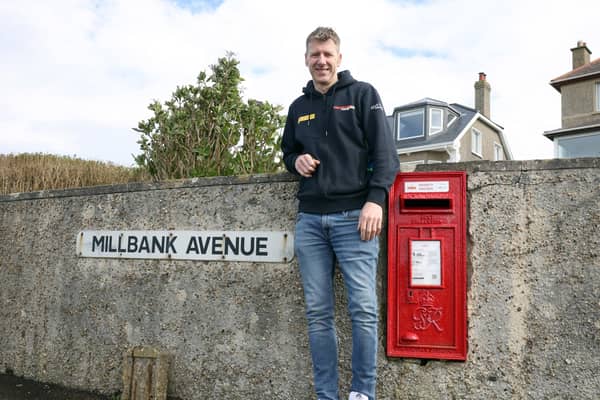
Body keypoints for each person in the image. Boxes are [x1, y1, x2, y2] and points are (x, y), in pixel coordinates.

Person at [281, 27, 400, 400]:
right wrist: (295, 160)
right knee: (318, 314)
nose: (321, 61)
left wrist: (376, 199)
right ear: (306, 59)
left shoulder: (363, 95)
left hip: (356, 218)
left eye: (328, 54)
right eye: (315, 54)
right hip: (311, 221)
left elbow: (386, 155)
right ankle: (326, 395)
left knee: (363, 310)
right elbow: (287, 152)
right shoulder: (298, 108)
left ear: (339, 58)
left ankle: (363, 393)